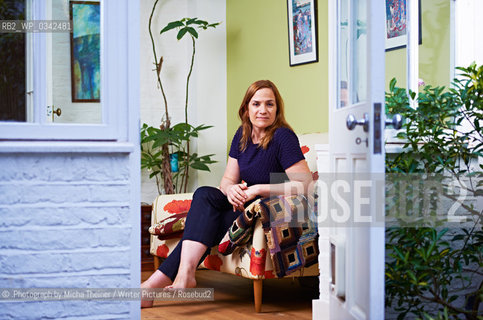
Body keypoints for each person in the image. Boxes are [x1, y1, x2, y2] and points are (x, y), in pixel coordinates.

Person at [141, 80, 312, 308]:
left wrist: (259, 189)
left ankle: (153, 286)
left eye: (270, 104)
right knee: (204, 194)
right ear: (246, 109)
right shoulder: (242, 134)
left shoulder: (282, 137)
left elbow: (305, 184)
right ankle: (184, 273)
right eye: (256, 104)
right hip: (242, 203)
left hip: (264, 209)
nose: (263, 110)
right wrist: (231, 189)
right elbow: (228, 180)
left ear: (277, 109)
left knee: (210, 222)